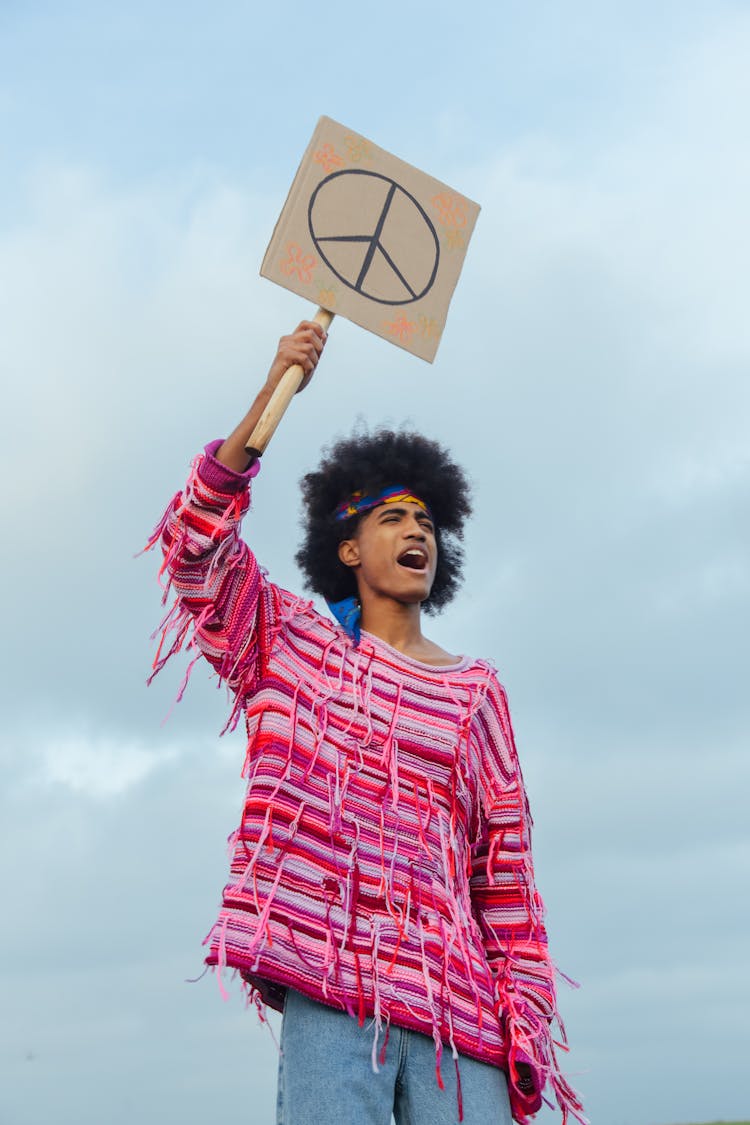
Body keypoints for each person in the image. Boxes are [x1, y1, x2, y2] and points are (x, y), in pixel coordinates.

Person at [147, 322, 584, 1125]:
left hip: (459, 1014)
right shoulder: (289, 644)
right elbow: (193, 547)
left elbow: (507, 878)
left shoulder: (476, 692)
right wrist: (275, 385)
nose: (417, 531)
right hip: (327, 983)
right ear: (346, 548)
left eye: (425, 520)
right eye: (391, 519)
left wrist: (520, 1022)